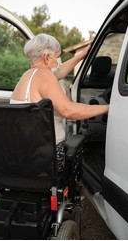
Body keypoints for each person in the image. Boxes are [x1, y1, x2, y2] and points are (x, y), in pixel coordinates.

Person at [10, 34, 109, 170]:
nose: (59, 62)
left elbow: (60, 72)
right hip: (48, 156)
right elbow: (68, 110)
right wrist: (107, 108)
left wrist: (80, 56)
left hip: (24, 153)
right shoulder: (44, 76)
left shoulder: (28, 75)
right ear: (46, 57)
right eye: (57, 57)